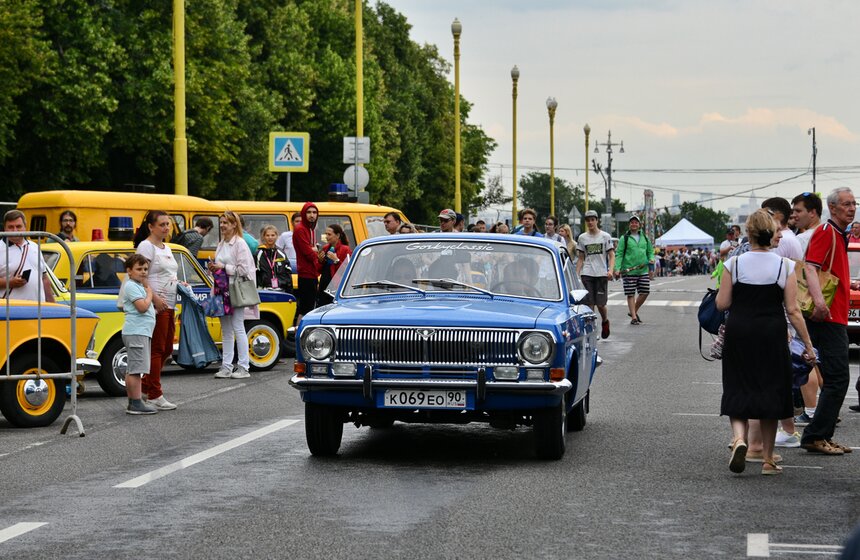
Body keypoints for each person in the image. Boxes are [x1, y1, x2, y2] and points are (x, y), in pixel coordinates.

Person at [716, 209, 815, 475]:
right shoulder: (784, 266)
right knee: (773, 389)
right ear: (773, 235)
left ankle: (739, 439)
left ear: (748, 234)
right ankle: (769, 460)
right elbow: (793, 310)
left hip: (740, 332)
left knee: (738, 385)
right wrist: (806, 344)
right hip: (772, 332)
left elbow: (722, 303)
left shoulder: (733, 264)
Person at [799, 187, 858, 455]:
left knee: (833, 377)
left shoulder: (840, 235)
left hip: (835, 314)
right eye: (846, 204)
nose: (852, 208)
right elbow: (810, 266)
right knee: (837, 377)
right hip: (828, 315)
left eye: (854, 204)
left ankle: (820, 434)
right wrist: (820, 301)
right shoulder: (826, 232)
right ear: (832, 208)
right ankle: (815, 435)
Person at [133, 210, 179, 410]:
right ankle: (154, 394)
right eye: (162, 224)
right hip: (157, 303)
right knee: (158, 349)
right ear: (151, 227)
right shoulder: (147, 246)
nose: (166, 228)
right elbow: (142, 275)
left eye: (168, 224)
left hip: (169, 303)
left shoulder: (166, 247)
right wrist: (155, 298)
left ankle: (146, 384)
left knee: (168, 347)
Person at [209, 211, 259, 379]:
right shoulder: (222, 243)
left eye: (226, 223)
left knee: (238, 327)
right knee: (226, 329)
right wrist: (214, 267)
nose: (222, 225)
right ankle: (226, 366)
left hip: (235, 289)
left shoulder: (240, 244)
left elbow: (244, 270)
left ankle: (244, 367)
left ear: (234, 225)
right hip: (221, 289)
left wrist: (223, 267)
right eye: (221, 222)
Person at [120, 254, 158, 415]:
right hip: (136, 332)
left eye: (145, 269)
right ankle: (136, 402)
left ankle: (134, 401)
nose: (143, 272)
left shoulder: (137, 285)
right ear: (129, 271)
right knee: (136, 369)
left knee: (134, 367)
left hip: (140, 332)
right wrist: (149, 294)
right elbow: (142, 307)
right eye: (139, 269)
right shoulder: (131, 286)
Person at [0, 210, 55, 302]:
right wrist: (10, 283)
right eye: (10, 227)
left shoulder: (34, 246)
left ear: (25, 227)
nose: (15, 230)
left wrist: (53, 306)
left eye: (18, 226)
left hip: (38, 309)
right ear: (4, 228)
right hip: (9, 311)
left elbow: (44, 279)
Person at [576, 210, 615, 339]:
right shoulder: (582, 238)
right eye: (588, 220)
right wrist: (577, 274)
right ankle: (592, 330)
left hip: (601, 274)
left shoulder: (605, 237)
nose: (590, 222)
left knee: (601, 305)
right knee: (589, 304)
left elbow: (611, 255)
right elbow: (581, 258)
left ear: (597, 221)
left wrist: (610, 270)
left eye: (592, 219)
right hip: (587, 273)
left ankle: (605, 321)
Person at [613, 215, 653, 324]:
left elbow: (650, 251)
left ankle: (633, 311)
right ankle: (634, 317)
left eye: (636, 222)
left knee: (645, 292)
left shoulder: (645, 238)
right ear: (629, 224)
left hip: (643, 270)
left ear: (639, 225)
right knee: (630, 293)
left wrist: (651, 259)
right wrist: (617, 268)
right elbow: (619, 254)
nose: (634, 224)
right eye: (632, 222)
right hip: (629, 270)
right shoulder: (624, 238)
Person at [294, 202, 322, 325]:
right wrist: (315, 251)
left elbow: (312, 250)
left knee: (310, 307)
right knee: (305, 309)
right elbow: (308, 252)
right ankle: (299, 334)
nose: (312, 215)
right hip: (305, 274)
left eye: (314, 212)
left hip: (312, 273)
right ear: (304, 214)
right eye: (309, 212)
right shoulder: (300, 229)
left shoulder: (311, 229)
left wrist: (314, 250)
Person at [317, 224, 352, 306]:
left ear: (338, 235)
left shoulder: (345, 249)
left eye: (329, 234)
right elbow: (319, 270)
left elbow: (349, 270)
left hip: (336, 286)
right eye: (326, 234)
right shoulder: (325, 248)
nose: (327, 237)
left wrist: (336, 260)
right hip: (324, 285)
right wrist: (320, 261)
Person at [255, 225, 292, 293]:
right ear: (263, 237)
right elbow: (255, 273)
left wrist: (289, 291)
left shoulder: (281, 253)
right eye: (267, 235)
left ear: (277, 236)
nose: (270, 238)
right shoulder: (258, 254)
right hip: (264, 290)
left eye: (272, 235)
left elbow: (288, 273)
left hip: (281, 289)